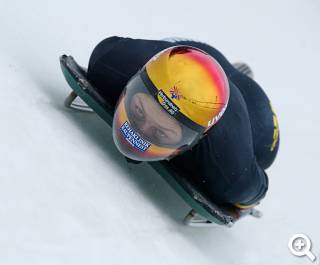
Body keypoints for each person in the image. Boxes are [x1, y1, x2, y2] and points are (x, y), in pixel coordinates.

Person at [86, 36, 280, 208]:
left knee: (265, 155)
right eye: (138, 111)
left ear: (198, 138)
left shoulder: (232, 175)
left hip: (252, 112)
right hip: (193, 58)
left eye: (160, 132)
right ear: (132, 82)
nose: (140, 133)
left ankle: (241, 77)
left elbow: (254, 190)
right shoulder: (110, 60)